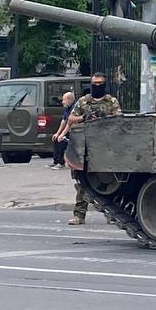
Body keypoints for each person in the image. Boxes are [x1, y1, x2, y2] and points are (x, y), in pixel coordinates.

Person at [64, 73, 121, 226]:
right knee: (83, 184)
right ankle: (79, 214)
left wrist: (104, 117)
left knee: (109, 183)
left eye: (100, 83)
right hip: (86, 148)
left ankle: (113, 215)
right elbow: (71, 119)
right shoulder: (83, 102)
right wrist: (85, 117)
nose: (97, 86)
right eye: (94, 83)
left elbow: (120, 121)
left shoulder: (111, 101)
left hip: (106, 148)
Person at [50, 91, 76, 167]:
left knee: (62, 140)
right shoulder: (67, 108)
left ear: (70, 100)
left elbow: (70, 123)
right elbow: (64, 121)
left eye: (64, 100)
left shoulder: (75, 108)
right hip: (69, 130)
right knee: (56, 138)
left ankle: (61, 163)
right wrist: (58, 133)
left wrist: (62, 135)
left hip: (76, 131)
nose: (62, 102)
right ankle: (56, 161)